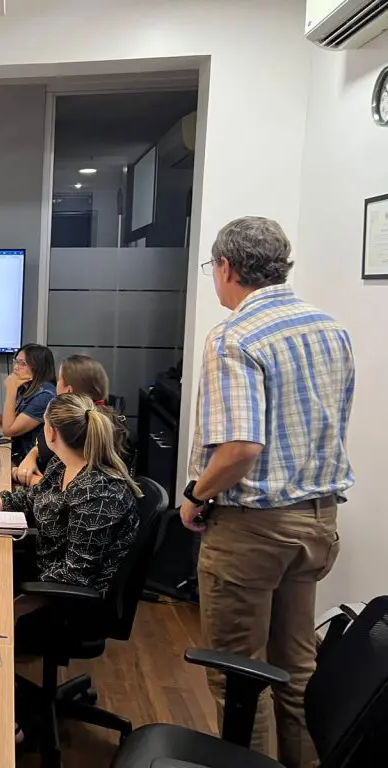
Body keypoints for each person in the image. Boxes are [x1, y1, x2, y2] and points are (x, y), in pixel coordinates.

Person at [181, 216, 353, 768]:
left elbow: (240, 448)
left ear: (226, 266)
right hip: (317, 523)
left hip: (253, 531)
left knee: (238, 679)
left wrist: (196, 495)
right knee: (297, 669)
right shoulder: (329, 328)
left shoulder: (235, 335)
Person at [0, 393, 141, 594]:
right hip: (43, 571)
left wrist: (16, 601)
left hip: (63, 596)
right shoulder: (62, 464)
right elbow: (29, 500)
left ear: (51, 433)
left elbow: (77, 577)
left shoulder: (98, 494)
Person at [12, 354, 134, 486]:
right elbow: (41, 444)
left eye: (59, 381)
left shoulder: (77, 427)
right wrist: (33, 455)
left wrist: (19, 474)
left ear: (69, 391)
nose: (55, 386)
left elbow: (69, 488)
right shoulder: (103, 418)